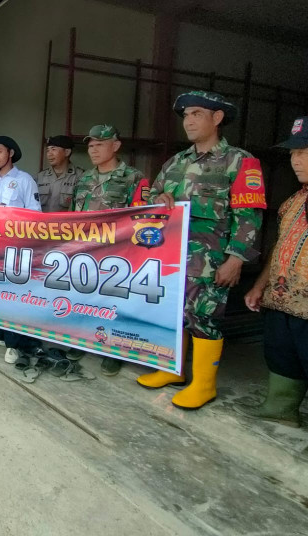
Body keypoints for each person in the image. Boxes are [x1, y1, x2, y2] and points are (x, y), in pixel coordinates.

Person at [136, 91, 265, 410]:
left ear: (217, 118)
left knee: (202, 317)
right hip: (172, 257)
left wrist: (236, 259)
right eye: (185, 116)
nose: (188, 121)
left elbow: (249, 216)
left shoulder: (239, 160)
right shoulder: (177, 162)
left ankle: (203, 385)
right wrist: (160, 198)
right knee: (173, 314)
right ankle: (172, 371)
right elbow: (152, 194)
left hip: (211, 261)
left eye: (196, 114)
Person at [236, 117, 308, 427]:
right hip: (281, 301)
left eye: (304, 152)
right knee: (281, 355)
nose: (296, 161)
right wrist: (259, 286)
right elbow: (280, 248)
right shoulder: (293, 201)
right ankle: (281, 408)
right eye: (293, 154)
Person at [69, 125, 149, 376]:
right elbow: (73, 215)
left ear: (115, 146)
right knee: (84, 298)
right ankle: (82, 340)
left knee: (114, 303)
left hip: (118, 255)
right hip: (86, 252)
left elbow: (142, 219)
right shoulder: (84, 178)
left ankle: (113, 350)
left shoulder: (134, 178)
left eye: (99, 145)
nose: (93, 150)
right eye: (90, 145)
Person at [0, 136, 41, 365]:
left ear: (10, 153)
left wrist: (11, 215)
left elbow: (36, 214)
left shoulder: (24, 180)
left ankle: (13, 345)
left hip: (16, 248)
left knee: (12, 295)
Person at [37, 135, 84, 212]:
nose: (49, 154)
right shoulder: (40, 177)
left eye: (53, 149)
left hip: (66, 223)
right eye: (48, 150)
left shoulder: (80, 176)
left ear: (67, 152)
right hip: (43, 223)